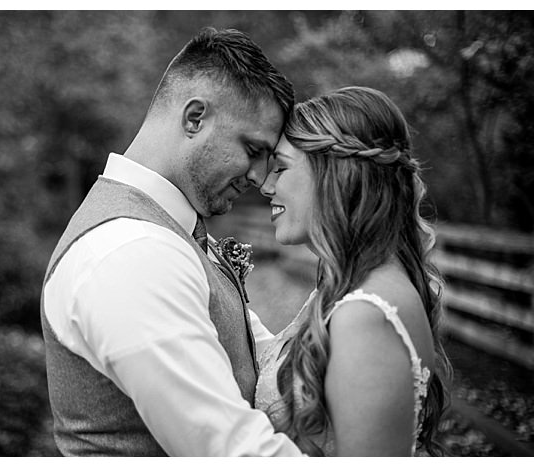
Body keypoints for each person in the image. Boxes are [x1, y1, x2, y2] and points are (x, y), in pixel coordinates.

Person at [40, 27, 304, 456]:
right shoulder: (132, 253)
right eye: (253, 150)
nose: (259, 177)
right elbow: (232, 451)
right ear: (194, 117)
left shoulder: (168, 233)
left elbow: (261, 360)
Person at [256, 86, 451, 456]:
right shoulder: (354, 289)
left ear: (335, 174)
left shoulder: (365, 314)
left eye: (280, 167)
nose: (267, 186)